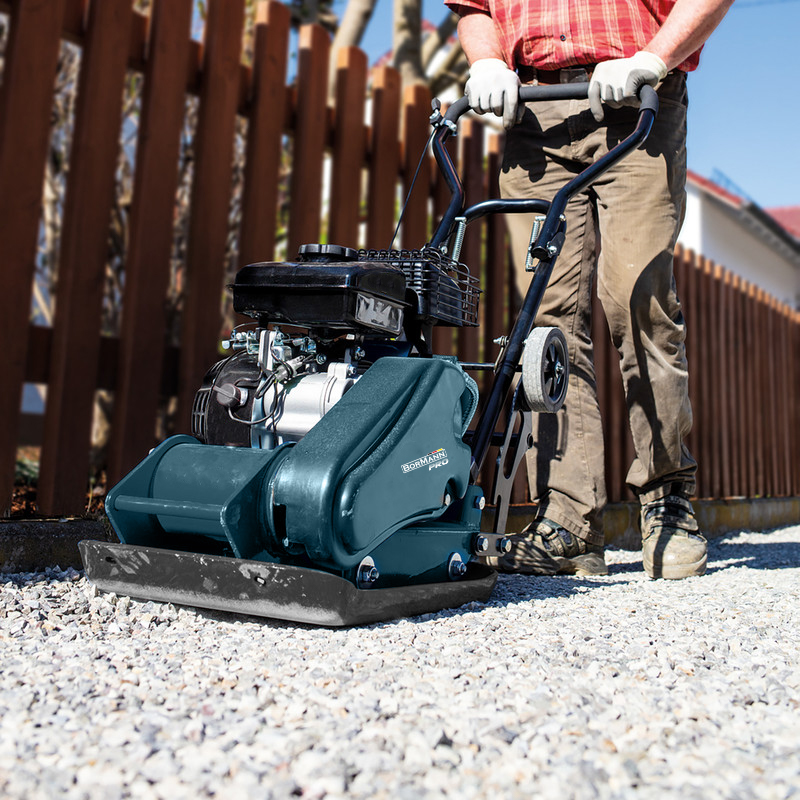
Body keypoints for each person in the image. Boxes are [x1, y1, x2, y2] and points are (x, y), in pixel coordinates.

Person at [444, 0, 734, 579]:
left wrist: (654, 58)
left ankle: (667, 501)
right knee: (546, 320)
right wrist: (486, 62)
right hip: (535, 115)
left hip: (635, 98)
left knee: (637, 299)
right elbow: (474, 7)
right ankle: (567, 521)